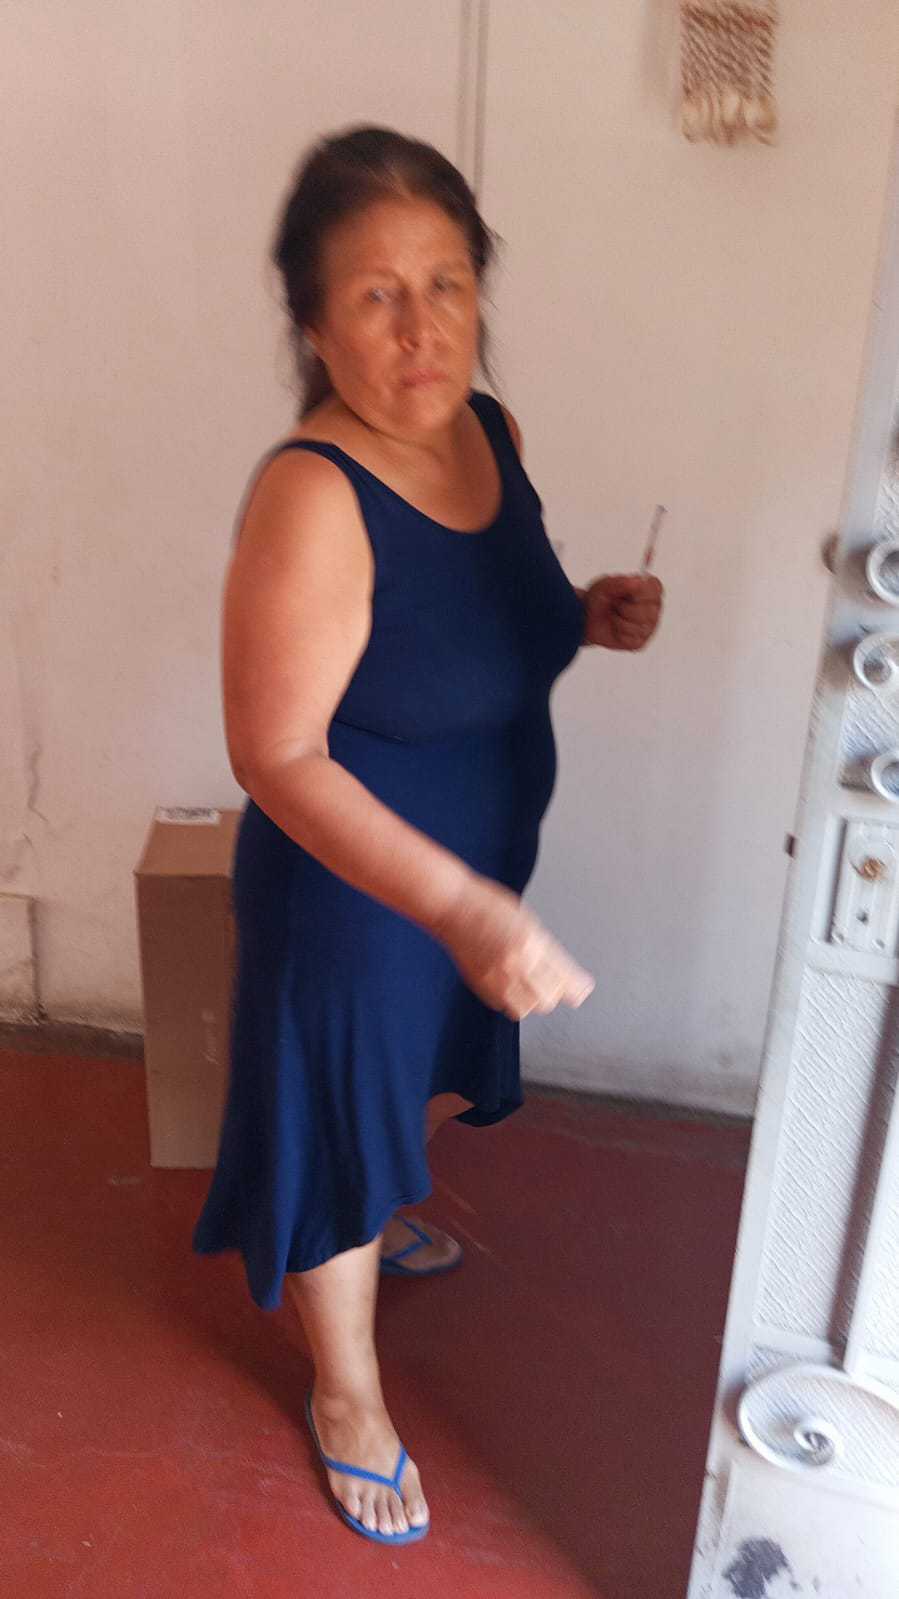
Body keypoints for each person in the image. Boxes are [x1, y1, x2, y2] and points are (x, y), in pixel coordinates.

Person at [192, 124, 664, 1546]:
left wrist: (582, 613)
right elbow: (275, 756)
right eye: (377, 296)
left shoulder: (489, 432)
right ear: (314, 324)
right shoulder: (312, 494)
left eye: (446, 284)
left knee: (403, 1092)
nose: (421, 330)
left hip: (471, 854)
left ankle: (376, 1200)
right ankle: (346, 1395)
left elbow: (467, 617)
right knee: (344, 1108)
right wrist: (458, 908)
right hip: (357, 891)